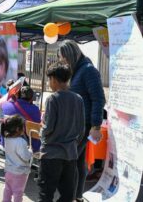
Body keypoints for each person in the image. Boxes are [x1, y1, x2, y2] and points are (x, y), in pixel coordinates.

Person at [57, 40, 105, 202]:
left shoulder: (88, 70)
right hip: (76, 124)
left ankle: (70, 196)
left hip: (83, 125)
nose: (63, 62)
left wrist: (96, 125)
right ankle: (76, 196)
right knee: (77, 162)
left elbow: (98, 99)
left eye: (64, 59)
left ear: (71, 55)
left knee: (71, 161)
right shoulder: (77, 70)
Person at [38, 62, 85, 202]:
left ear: (53, 79)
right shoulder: (79, 99)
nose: (48, 83)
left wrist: (41, 132)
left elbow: (48, 128)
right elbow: (81, 130)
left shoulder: (53, 99)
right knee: (67, 195)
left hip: (51, 154)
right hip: (70, 155)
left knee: (46, 194)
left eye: (49, 79)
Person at [1, 115, 32, 202]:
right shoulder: (21, 141)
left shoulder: (7, 139)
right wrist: (30, 151)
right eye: (23, 127)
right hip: (19, 172)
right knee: (18, 193)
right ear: (18, 129)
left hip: (8, 170)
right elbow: (25, 157)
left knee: (7, 190)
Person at [0, 86, 41, 151]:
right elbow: (37, 126)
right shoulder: (35, 109)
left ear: (18, 95)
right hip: (27, 146)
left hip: (6, 142)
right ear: (31, 98)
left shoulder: (5, 105)